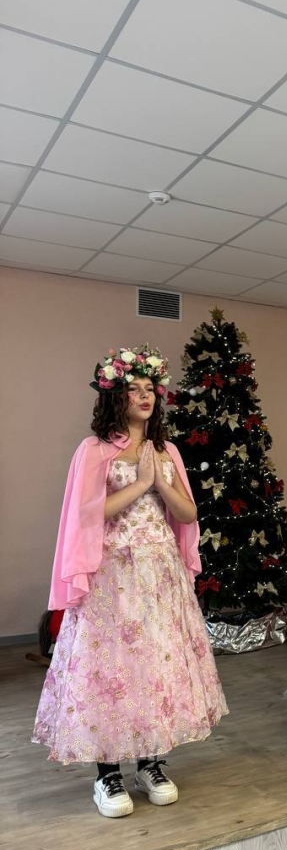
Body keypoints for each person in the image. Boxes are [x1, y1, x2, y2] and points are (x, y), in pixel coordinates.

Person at [33, 346, 227, 817]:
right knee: (111, 670)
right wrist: (140, 485)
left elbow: (188, 513)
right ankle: (107, 773)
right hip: (113, 576)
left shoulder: (167, 451)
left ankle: (150, 763)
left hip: (159, 575)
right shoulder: (94, 449)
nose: (144, 396)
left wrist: (160, 483)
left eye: (149, 389)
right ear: (114, 397)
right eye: (133, 389)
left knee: (155, 665)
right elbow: (87, 514)